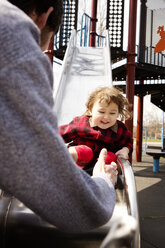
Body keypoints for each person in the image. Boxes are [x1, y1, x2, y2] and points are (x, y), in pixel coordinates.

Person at [0, 0, 118, 233]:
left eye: (111, 113)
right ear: (44, 16)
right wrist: (104, 182)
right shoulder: (14, 36)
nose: (41, 50)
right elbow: (74, 202)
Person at [59, 86, 133, 171]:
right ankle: (65, 156)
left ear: (117, 114)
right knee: (85, 152)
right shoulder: (82, 122)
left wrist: (125, 150)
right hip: (78, 163)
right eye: (101, 112)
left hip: (100, 167)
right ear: (91, 110)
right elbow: (61, 133)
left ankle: (103, 173)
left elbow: (128, 142)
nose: (106, 117)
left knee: (110, 156)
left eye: (112, 113)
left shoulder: (120, 129)